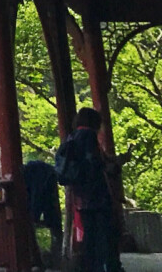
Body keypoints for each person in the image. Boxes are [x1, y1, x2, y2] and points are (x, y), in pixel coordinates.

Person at [55, 107, 120, 272]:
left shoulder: (72, 137)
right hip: (96, 196)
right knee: (105, 234)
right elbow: (95, 164)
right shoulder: (89, 136)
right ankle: (108, 267)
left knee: (89, 235)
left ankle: (90, 267)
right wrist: (113, 167)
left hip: (81, 197)